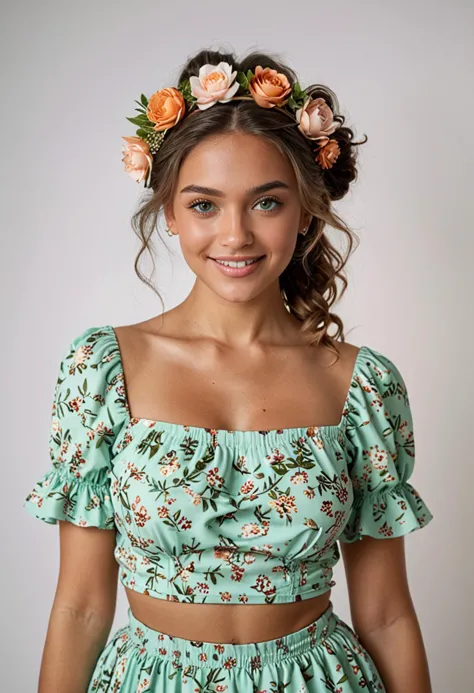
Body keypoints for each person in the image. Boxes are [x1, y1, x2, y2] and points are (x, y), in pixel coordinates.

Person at [24, 47, 434, 693]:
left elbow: (385, 614)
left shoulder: (362, 385)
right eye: (205, 204)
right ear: (169, 212)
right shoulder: (103, 368)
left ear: (305, 213)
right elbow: (79, 607)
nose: (236, 235)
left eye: (266, 203)